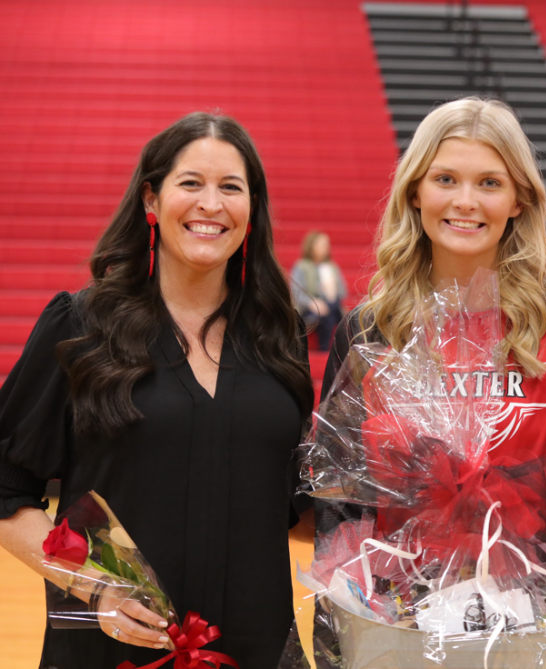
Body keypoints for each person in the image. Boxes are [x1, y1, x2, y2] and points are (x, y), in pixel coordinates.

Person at [310, 97, 546, 664]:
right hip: (397, 623)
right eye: (445, 179)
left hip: (539, 619)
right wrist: (339, 632)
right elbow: (341, 501)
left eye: (488, 182)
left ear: (519, 199)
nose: (465, 201)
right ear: (415, 191)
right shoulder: (369, 331)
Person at [0, 112, 314, 668]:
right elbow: (4, 487)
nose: (210, 205)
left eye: (231, 188)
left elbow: (293, 505)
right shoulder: (80, 325)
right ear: (151, 200)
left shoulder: (278, 336)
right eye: (190, 183)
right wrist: (94, 588)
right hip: (108, 653)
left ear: (251, 210)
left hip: (255, 649)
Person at [290, 231, 347, 351]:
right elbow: (296, 292)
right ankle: (326, 351)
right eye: (321, 245)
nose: (326, 248)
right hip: (310, 308)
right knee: (327, 316)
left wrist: (332, 288)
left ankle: (326, 350)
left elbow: (342, 292)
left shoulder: (332, 267)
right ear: (311, 246)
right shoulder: (301, 267)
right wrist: (313, 303)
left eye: (327, 245)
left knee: (329, 311)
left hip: (332, 304)